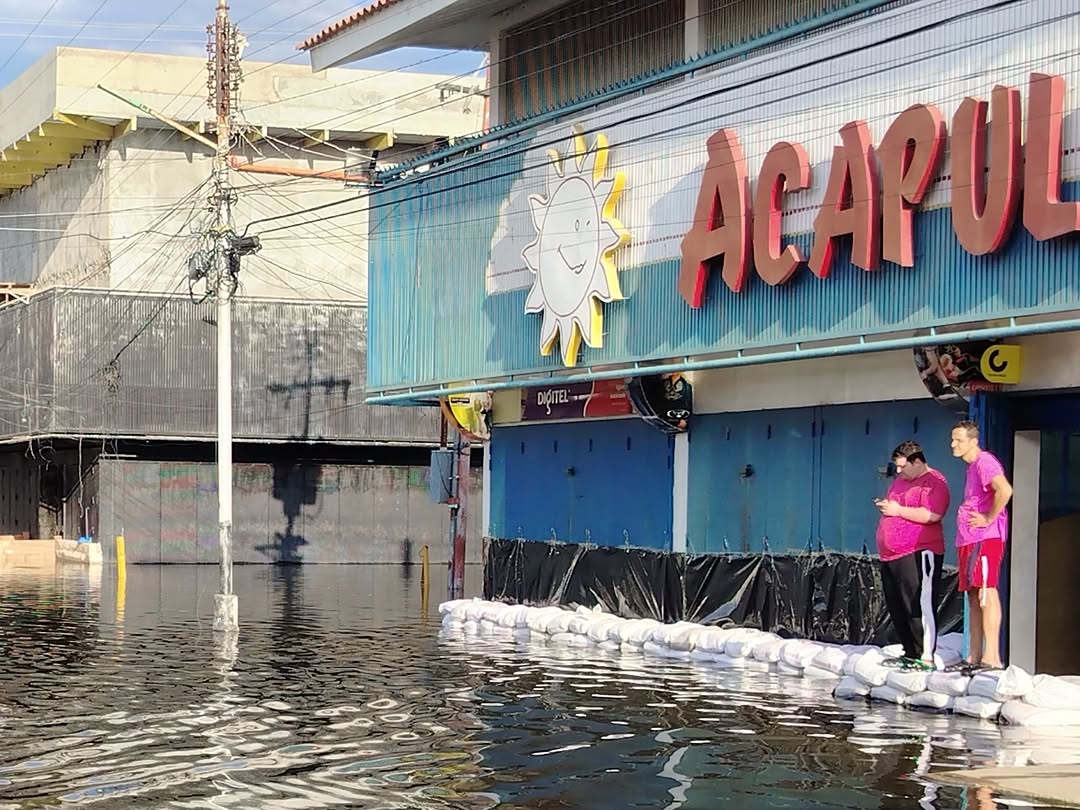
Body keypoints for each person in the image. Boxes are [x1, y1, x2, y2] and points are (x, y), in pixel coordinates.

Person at [874, 440, 950, 671]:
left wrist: (897, 511)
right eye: (896, 467)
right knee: (897, 605)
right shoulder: (899, 482)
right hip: (891, 555)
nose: (898, 471)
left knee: (918, 604)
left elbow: (933, 514)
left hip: (918, 551)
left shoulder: (934, 482)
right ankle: (909, 651)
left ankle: (926, 656)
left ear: (917, 462)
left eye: (902, 466)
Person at [947, 420, 1013, 673]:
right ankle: (973, 656)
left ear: (973, 441)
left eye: (959, 440)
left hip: (985, 538)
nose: (953, 444)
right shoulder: (971, 467)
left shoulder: (985, 462)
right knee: (973, 595)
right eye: (953, 439)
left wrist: (988, 517)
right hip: (969, 539)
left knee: (986, 591)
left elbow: (1004, 490)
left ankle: (992, 657)